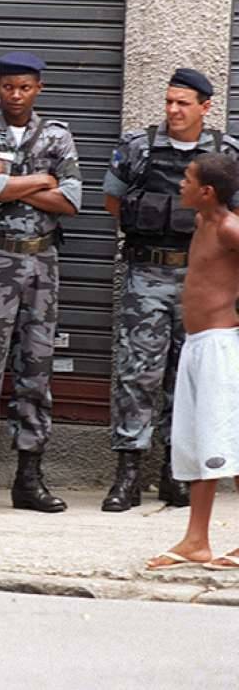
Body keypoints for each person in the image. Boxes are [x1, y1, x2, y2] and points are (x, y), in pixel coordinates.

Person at [101, 68, 239, 512]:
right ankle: (127, 474)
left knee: (189, 379)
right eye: (169, 102)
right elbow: (113, 201)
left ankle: (175, 474)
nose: (174, 110)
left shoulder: (225, 154)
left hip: (201, 285)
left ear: (205, 106)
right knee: (137, 374)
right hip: (147, 275)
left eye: (183, 103)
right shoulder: (139, 147)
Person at [0, 51, 82, 515]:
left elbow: (72, 201)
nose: (16, 96)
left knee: (37, 371)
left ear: (38, 88)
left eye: (25, 88)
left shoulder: (57, 134)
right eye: (9, 88)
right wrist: (42, 177)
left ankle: (30, 478)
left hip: (43, 265)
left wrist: (12, 176)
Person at [144, 153, 239, 571]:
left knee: (228, 443)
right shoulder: (201, 222)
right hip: (197, 345)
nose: (179, 185)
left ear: (206, 192)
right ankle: (196, 540)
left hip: (222, 347)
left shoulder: (230, 228)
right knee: (201, 443)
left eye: (187, 179)